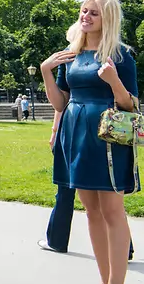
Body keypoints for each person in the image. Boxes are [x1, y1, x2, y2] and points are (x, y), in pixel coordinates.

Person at [41, 0, 138, 284]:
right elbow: (60, 102)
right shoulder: (71, 55)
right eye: (84, 11)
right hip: (75, 134)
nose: (86, 17)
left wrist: (113, 80)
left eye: (93, 13)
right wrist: (46, 71)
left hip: (107, 139)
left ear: (107, 19)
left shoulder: (121, 56)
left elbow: (130, 104)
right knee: (92, 211)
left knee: (112, 211)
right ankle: (104, 283)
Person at [40, 109, 134, 260]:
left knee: (66, 191)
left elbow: (62, 103)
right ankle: (123, 249)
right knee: (110, 198)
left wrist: (55, 130)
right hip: (104, 127)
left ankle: (57, 240)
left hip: (76, 127)